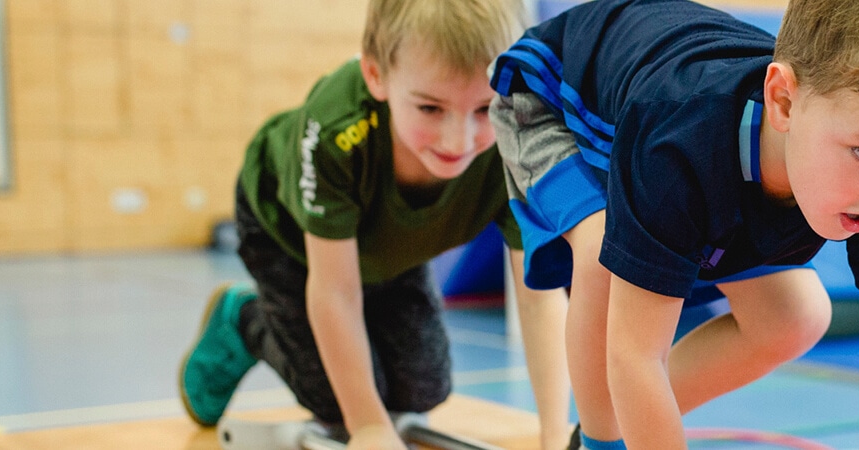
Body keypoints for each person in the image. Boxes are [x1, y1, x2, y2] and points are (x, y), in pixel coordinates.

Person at [488, 0, 859, 448]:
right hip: (550, 98)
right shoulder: (678, 145)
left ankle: (618, 428)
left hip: (664, 127)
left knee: (795, 317)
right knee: (603, 255)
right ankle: (599, 444)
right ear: (783, 102)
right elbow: (635, 357)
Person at [178, 1, 572, 448]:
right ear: (376, 76)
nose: (458, 141)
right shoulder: (337, 131)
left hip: (392, 245)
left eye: (483, 109)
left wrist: (554, 433)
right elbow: (334, 292)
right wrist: (368, 425)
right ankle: (243, 319)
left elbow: (540, 298)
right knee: (336, 400)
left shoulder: (515, 136)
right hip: (289, 237)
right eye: (429, 108)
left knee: (422, 390)